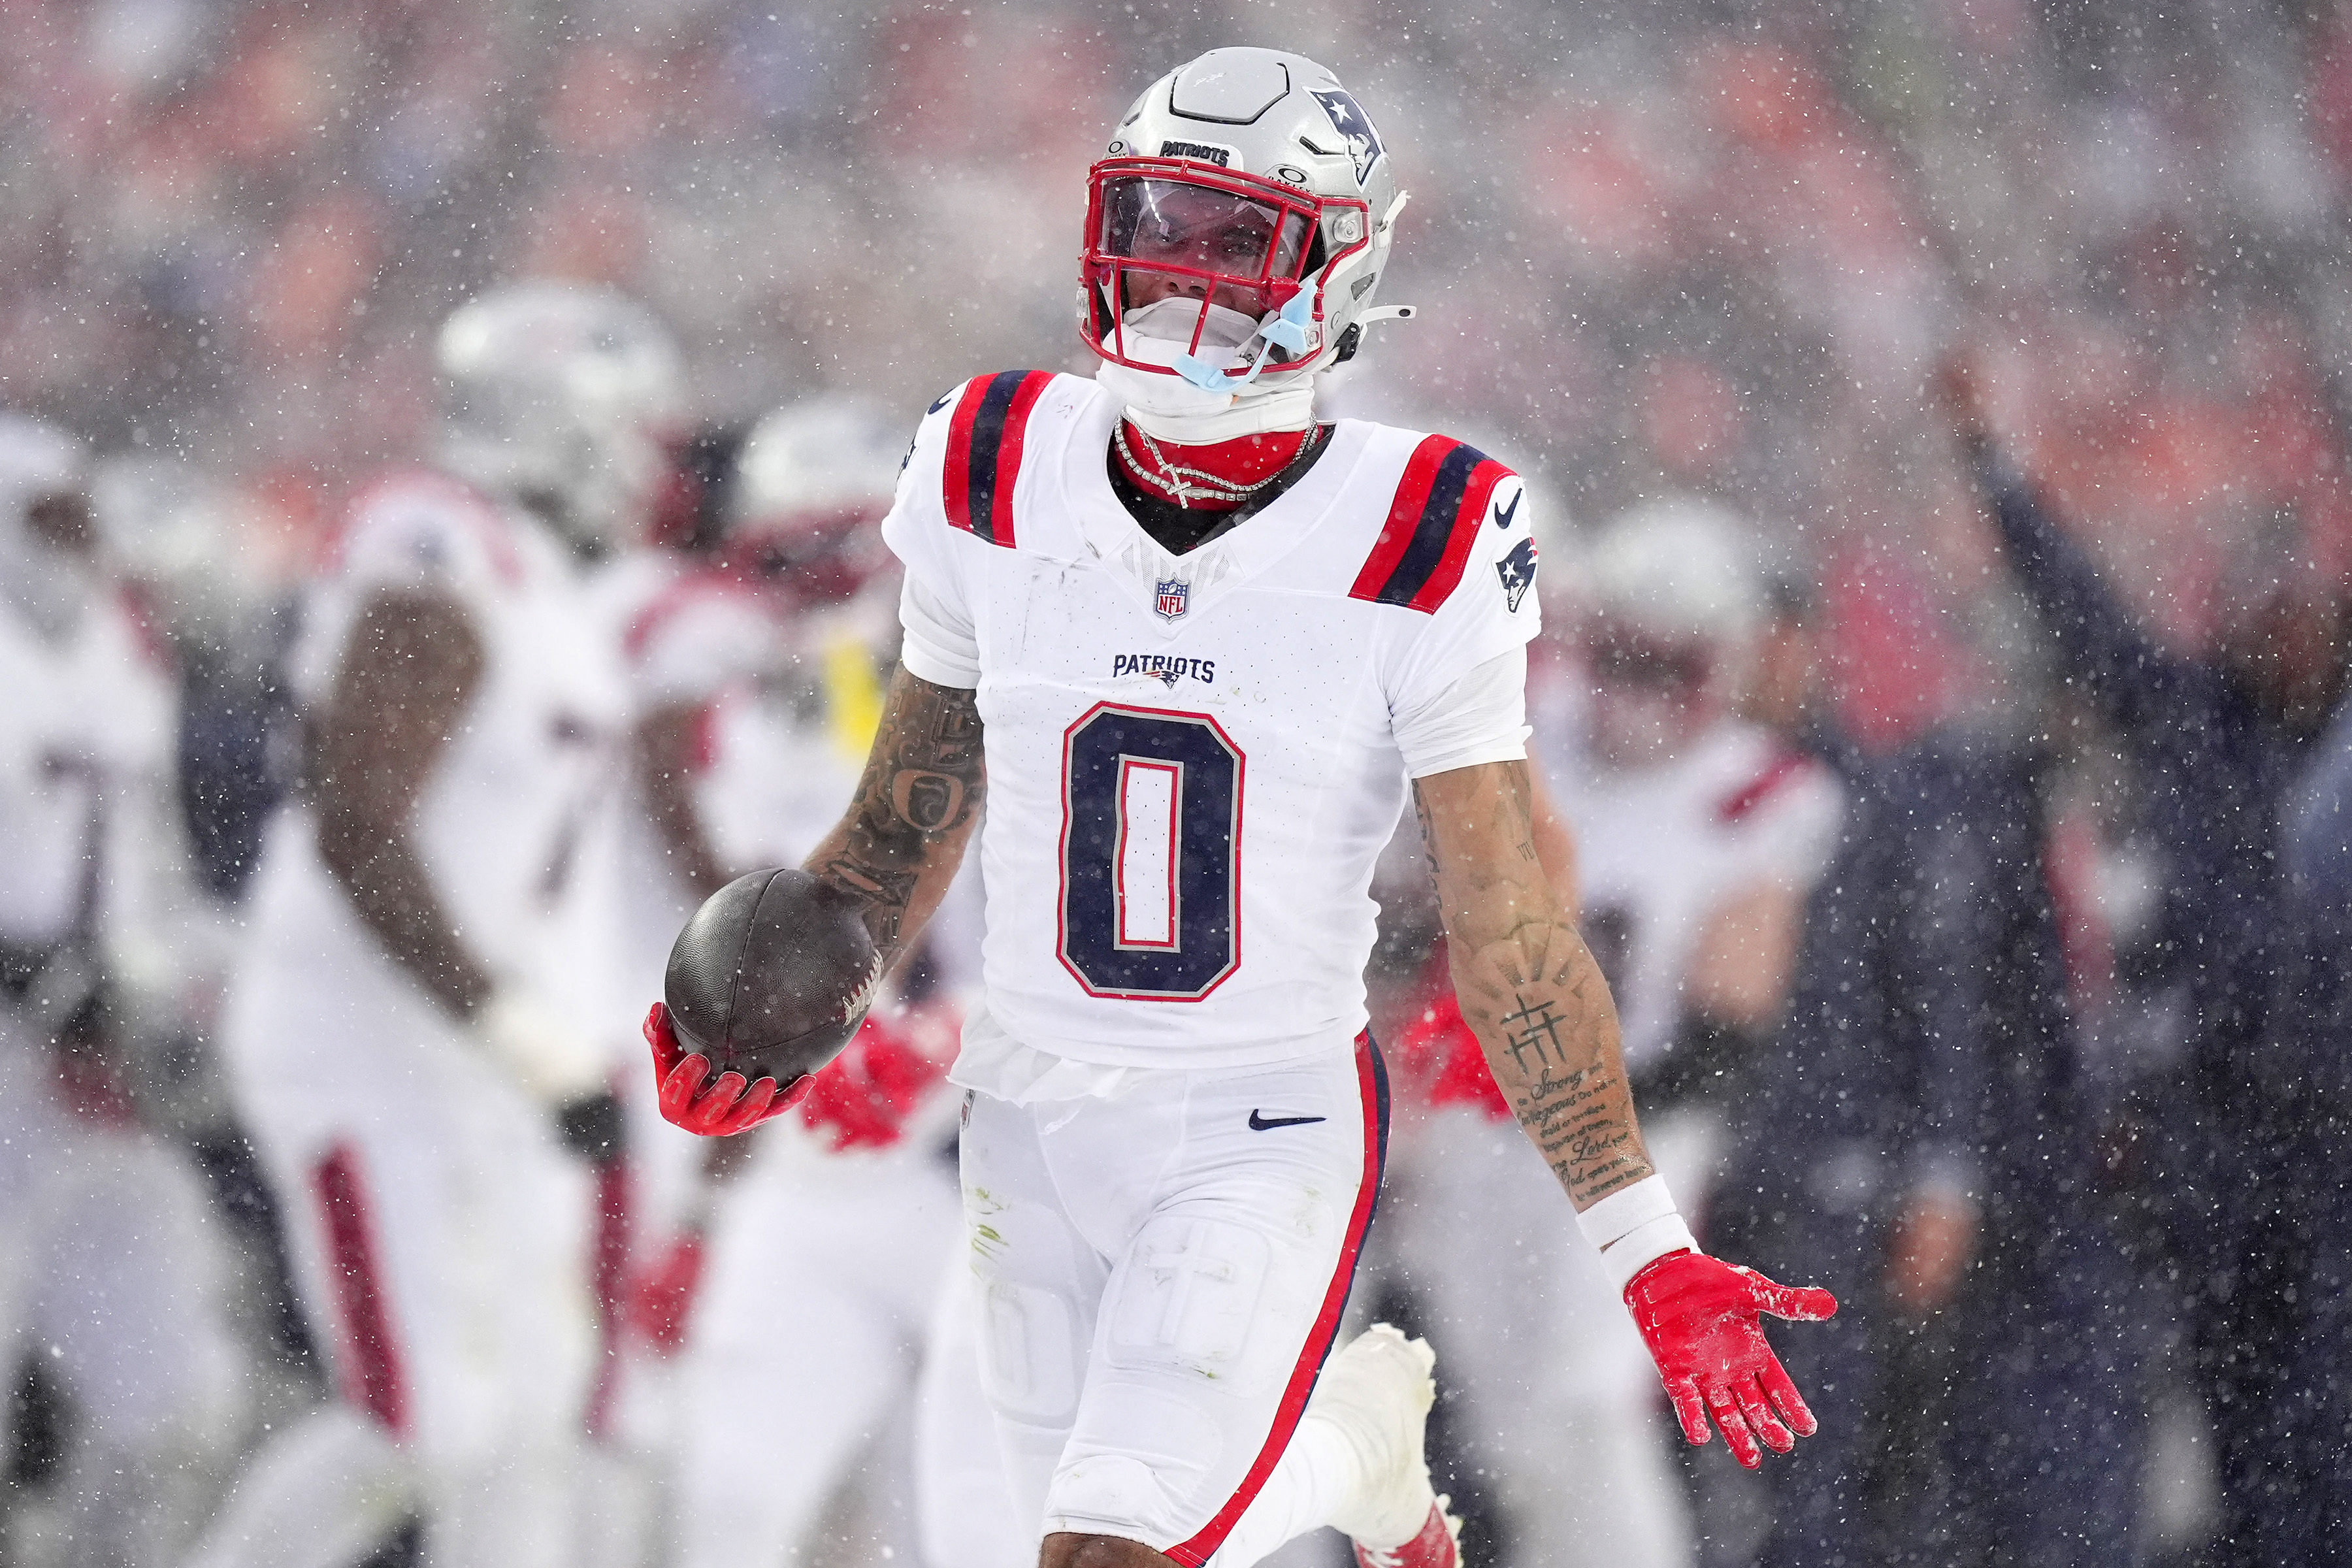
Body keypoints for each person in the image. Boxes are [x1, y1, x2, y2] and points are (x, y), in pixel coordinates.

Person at [644, 49, 1837, 1568]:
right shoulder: (990, 457)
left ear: (1340, 269)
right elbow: (903, 821)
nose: (1176, 274)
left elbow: (1512, 913)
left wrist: (1643, 1244)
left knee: (1113, 1555)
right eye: (1157, 216)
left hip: (1255, 1120)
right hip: (1027, 1112)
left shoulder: (1432, 526)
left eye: (1234, 236)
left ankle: (1336, 1450)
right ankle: (1347, 1450)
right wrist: (787, 1003)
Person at [189, 284, 681, 1568]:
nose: (638, 459)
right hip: (367, 1035)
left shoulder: (553, 589)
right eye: (623, 427)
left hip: (474, 1044)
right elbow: (359, 820)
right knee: (427, 1428)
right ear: (561, 423)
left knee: (529, 1421)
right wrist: (512, 1027)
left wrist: (553, 1035)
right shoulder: (441, 541)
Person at [1942, 359, 2346, 1565]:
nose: (2285, 627)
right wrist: (1994, 473)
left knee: (2326, 1408)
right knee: (2236, 1408)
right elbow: (2079, 611)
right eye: (2266, 603)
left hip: (2331, 1134)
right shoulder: (2189, 721)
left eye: (2309, 604)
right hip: (2217, 1130)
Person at [0, 415, 252, 1568]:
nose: (76, 542)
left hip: (100, 1073)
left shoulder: (115, 645)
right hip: (18, 1048)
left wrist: (185, 978)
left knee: (178, 1399)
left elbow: (147, 872)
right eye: (49, 518)